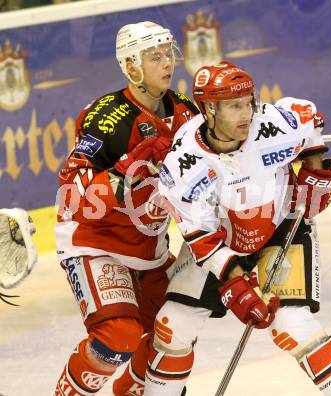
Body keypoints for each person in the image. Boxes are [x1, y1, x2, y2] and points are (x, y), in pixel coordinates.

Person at [142, 61, 331, 395]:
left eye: (249, 102)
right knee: (173, 325)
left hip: (281, 227)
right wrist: (237, 285)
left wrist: (314, 168)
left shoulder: (273, 124)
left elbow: (310, 121)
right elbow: (203, 239)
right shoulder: (183, 165)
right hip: (221, 237)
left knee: (292, 326)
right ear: (209, 108)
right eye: (235, 106)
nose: (246, 113)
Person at [53, 21, 199, 396]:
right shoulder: (107, 118)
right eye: (155, 56)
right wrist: (122, 175)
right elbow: (72, 184)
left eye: (168, 53)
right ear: (131, 67)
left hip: (149, 249)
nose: (167, 62)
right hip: (97, 243)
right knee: (119, 336)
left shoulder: (183, 110)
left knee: (177, 331)